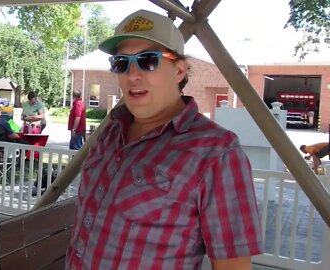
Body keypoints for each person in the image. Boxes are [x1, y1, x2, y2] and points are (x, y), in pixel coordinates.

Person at [66, 10, 263, 270]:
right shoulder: (111, 132)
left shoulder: (217, 152)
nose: (132, 74)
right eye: (121, 62)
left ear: (180, 70)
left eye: (148, 60)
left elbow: (233, 265)